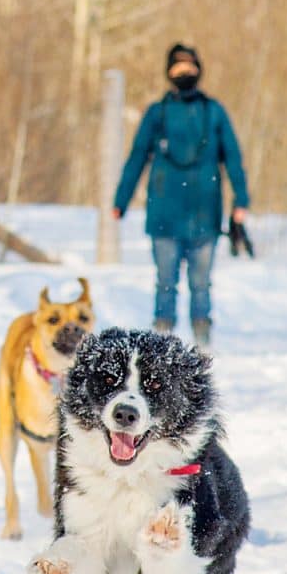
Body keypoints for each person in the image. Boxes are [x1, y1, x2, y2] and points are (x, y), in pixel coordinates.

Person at [112, 43, 250, 348]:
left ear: (199, 70)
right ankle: (162, 343)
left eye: (190, 67)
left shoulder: (213, 112)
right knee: (165, 283)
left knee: (201, 285)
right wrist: (120, 201)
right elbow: (137, 158)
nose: (184, 72)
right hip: (164, 214)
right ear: (168, 71)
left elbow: (234, 158)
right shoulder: (157, 113)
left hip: (205, 215)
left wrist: (241, 201)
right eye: (178, 67)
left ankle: (202, 344)